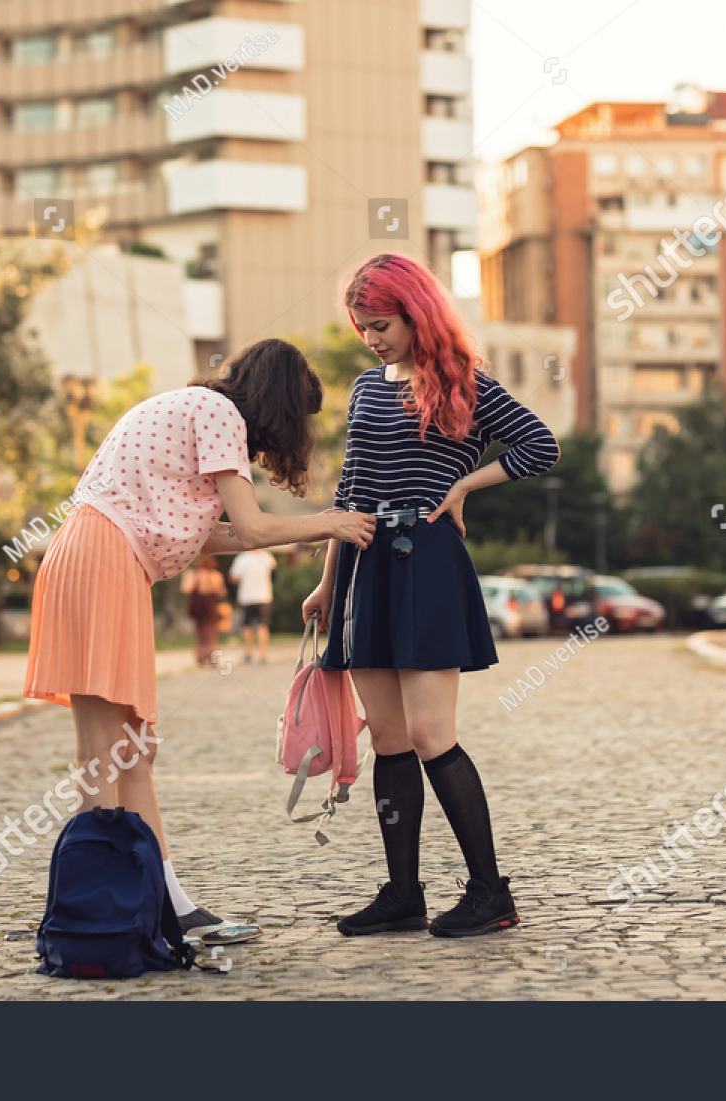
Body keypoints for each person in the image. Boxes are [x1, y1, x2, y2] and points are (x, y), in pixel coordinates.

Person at [23, 338, 375, 945]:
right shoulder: (217, 415)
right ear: (279, 403)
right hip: (104, 559)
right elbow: (256, 525)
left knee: (129, 749)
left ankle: (163, 906)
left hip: (95, 555)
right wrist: (330, 522)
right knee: (106, 753)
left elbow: (220, 535)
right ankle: (96, 917)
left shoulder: (192, 408)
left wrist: (303, 534)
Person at [304, 252, 560, 939]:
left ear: (416, 314)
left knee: (428, 733)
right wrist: (329, 582)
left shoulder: (465, 382)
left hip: (427, 562)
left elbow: (541, 445)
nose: (372, 337)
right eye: (362, 327)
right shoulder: (363, 388)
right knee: (388, 737)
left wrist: (463, 486)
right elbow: (349, 491)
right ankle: (402, 893)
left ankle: (490, 892)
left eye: (381, 323)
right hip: (364, 565)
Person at [229, 548, 277, 663]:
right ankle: (262, 655)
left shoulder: (242, 558)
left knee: (247, 626)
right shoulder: (268, 557)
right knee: (262, 626)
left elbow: (234, 578)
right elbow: (274, 575)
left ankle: (248, 653)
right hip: (264, 596)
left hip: (247, 597)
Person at [180, 556, 228, 668]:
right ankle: (212, 657)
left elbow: (186, 589)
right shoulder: (216, 575)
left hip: (198, 607)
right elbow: (222, 593)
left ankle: (200, 658)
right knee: (211, 634)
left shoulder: (195, 575)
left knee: (199, 633)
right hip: (211, 606)